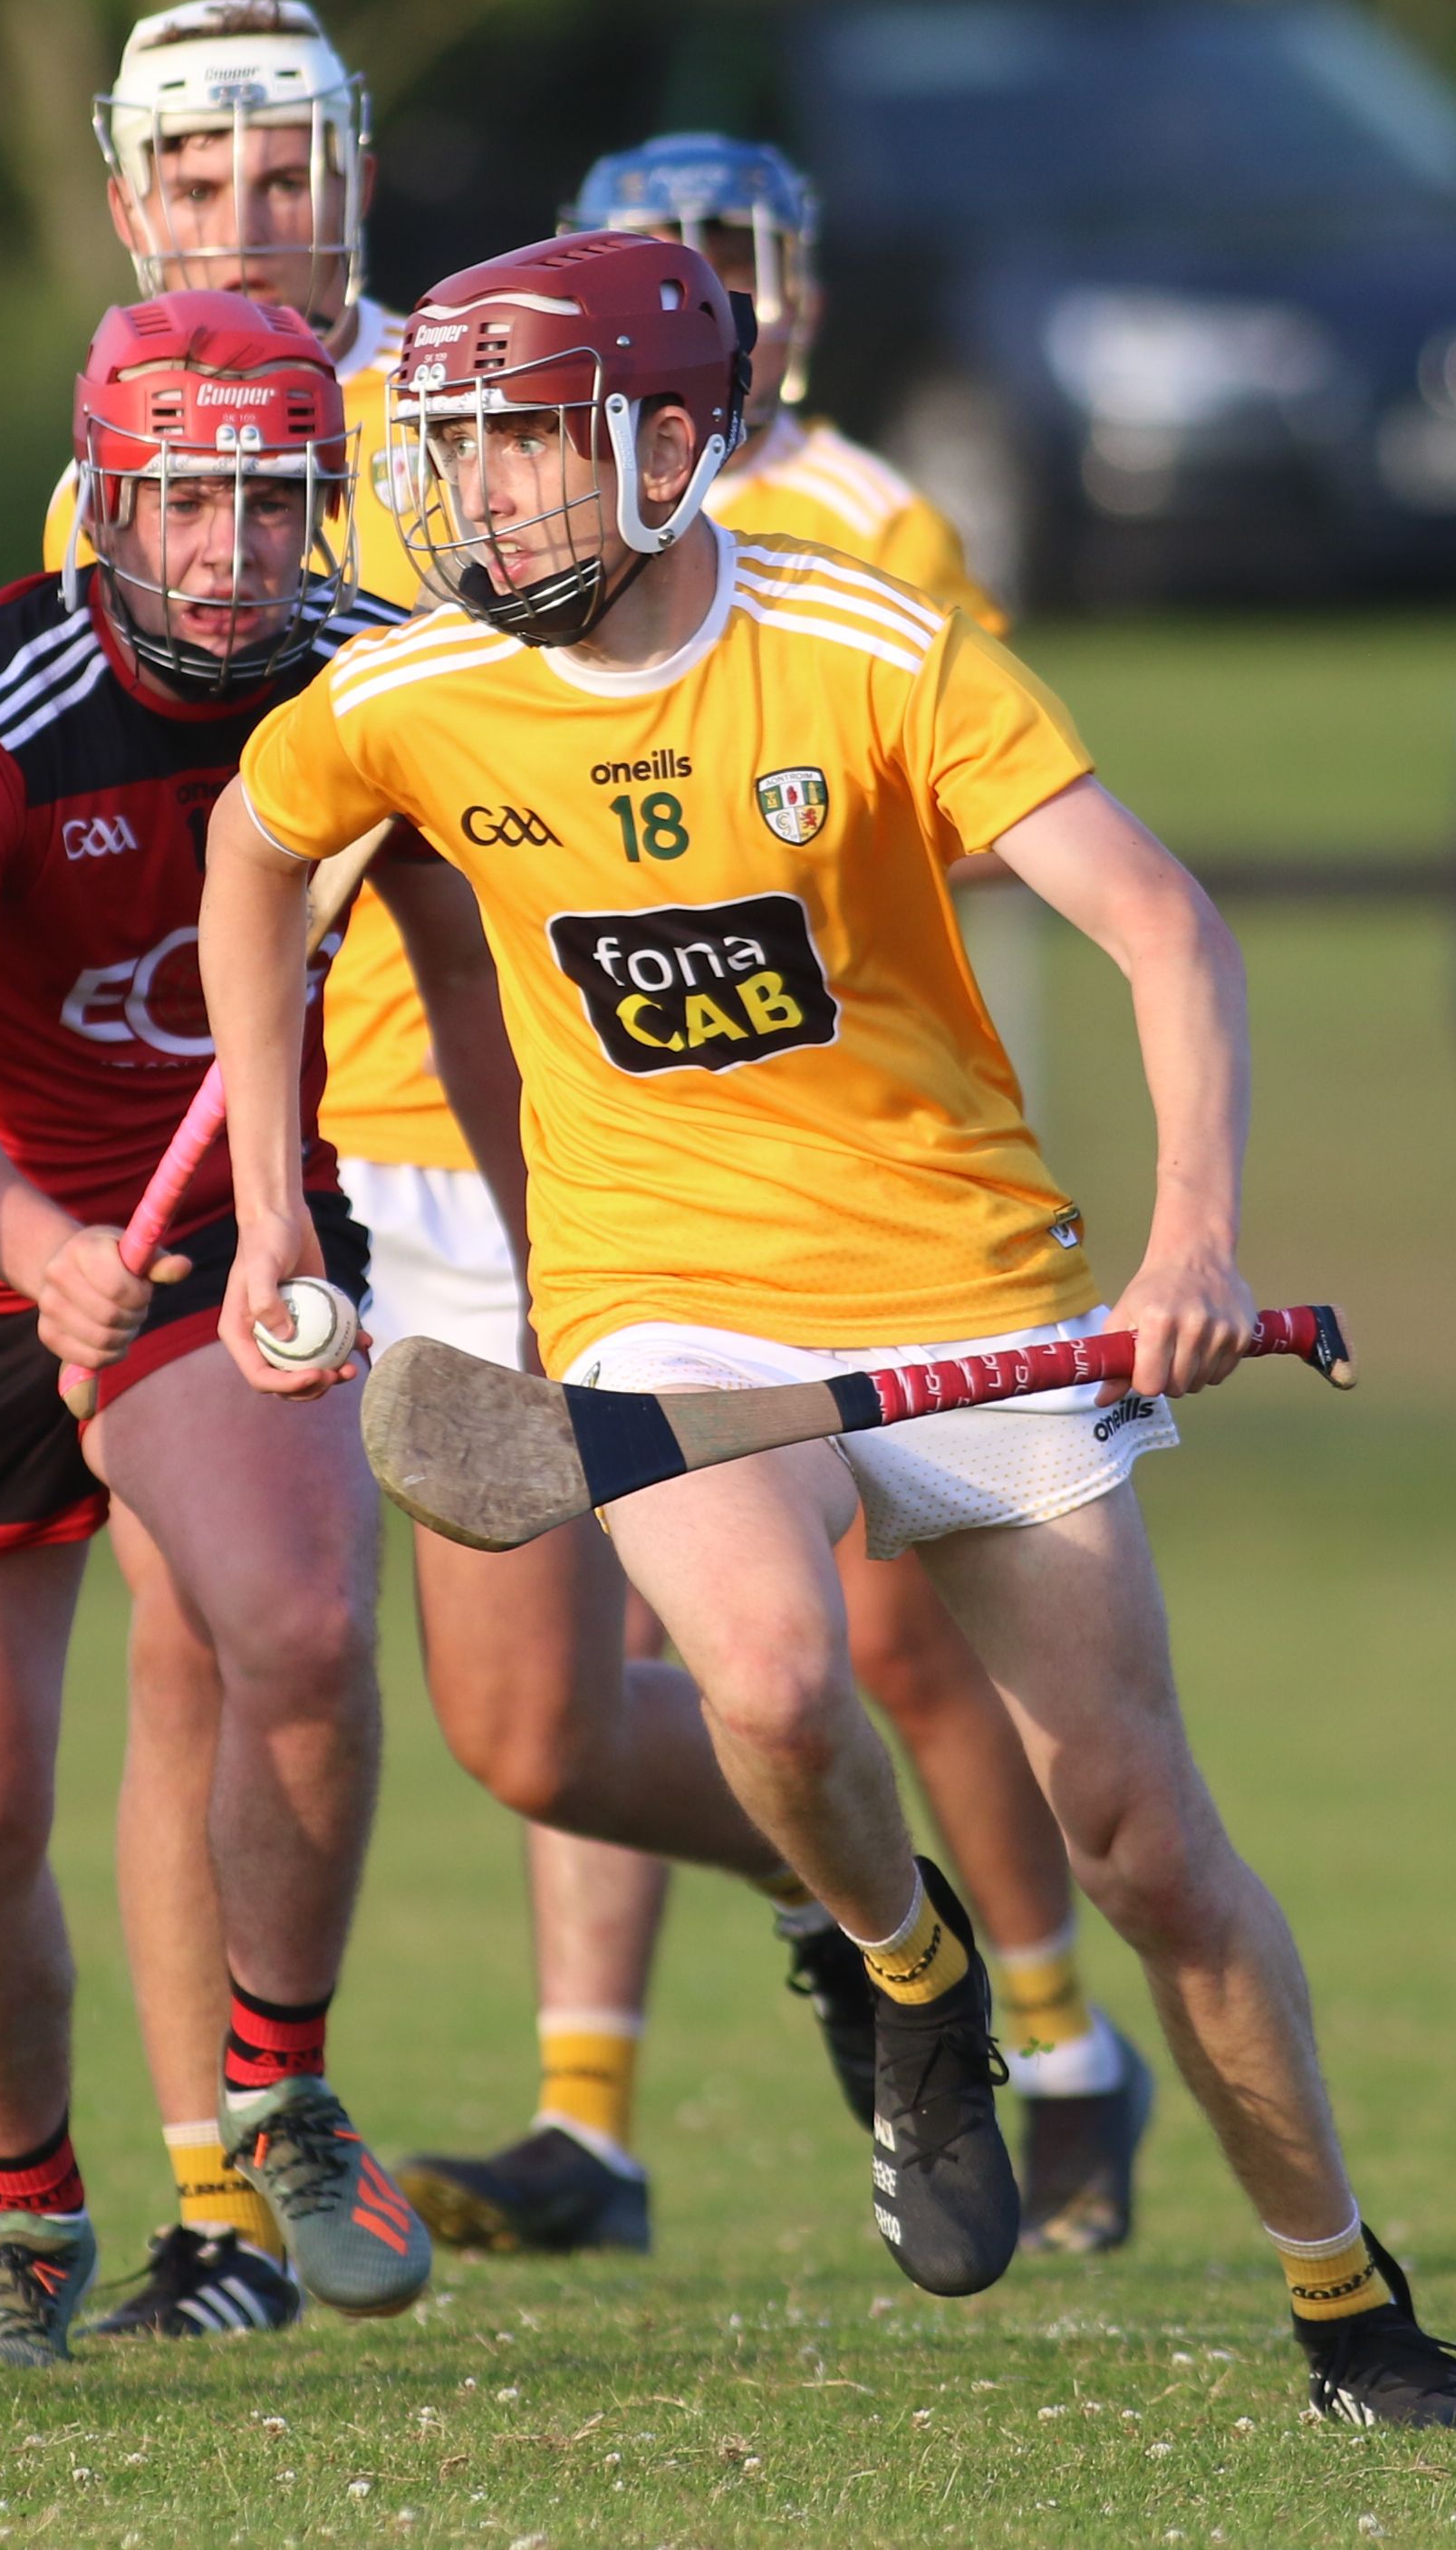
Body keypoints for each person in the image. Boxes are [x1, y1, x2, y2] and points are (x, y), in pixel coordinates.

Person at [197, 226, 1456, 2429]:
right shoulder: (413, 688)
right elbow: (253, 857)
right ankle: (908, 1979)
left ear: (672, 447)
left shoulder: (869, 646)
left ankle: (1340, 2294)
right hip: (657, 1293)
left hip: (963, 1278)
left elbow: (1162, 931)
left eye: (528, 446)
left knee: (1143, 1843)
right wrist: (264, 1203)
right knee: (776, 1684)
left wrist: (1189, 1237)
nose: (477, 496)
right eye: (461, 450)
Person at [37, 5, 810, 2330]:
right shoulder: (104, 451)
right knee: (204, 1642)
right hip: (271, 1123)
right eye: (201, 187)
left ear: (350, 179)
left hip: (489, 1137)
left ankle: (882, 1896)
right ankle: (216, 2203)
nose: (251, 223)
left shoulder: (480, 388)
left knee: (537, 1721)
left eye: (286, 177)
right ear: (128, 206)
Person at [400, 136, 1156, 2265]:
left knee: (905, 1653)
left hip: (860, 1191)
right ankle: (595, 2112)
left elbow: (987, 800)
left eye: (743, 260)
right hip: (621, 1188)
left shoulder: (855, 530)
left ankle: (1054, 2036)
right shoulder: (491, 487)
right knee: (674, 1653)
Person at [0, 291, 451, 2364]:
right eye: (180, 502)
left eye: (268, 507)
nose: (223, 553)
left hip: (219, 1231)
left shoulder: (375, 685)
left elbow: (481, 997)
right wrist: (28, 1243)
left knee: (299, 1621)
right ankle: (23, 2215)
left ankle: (276, 2085)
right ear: (103, 496)